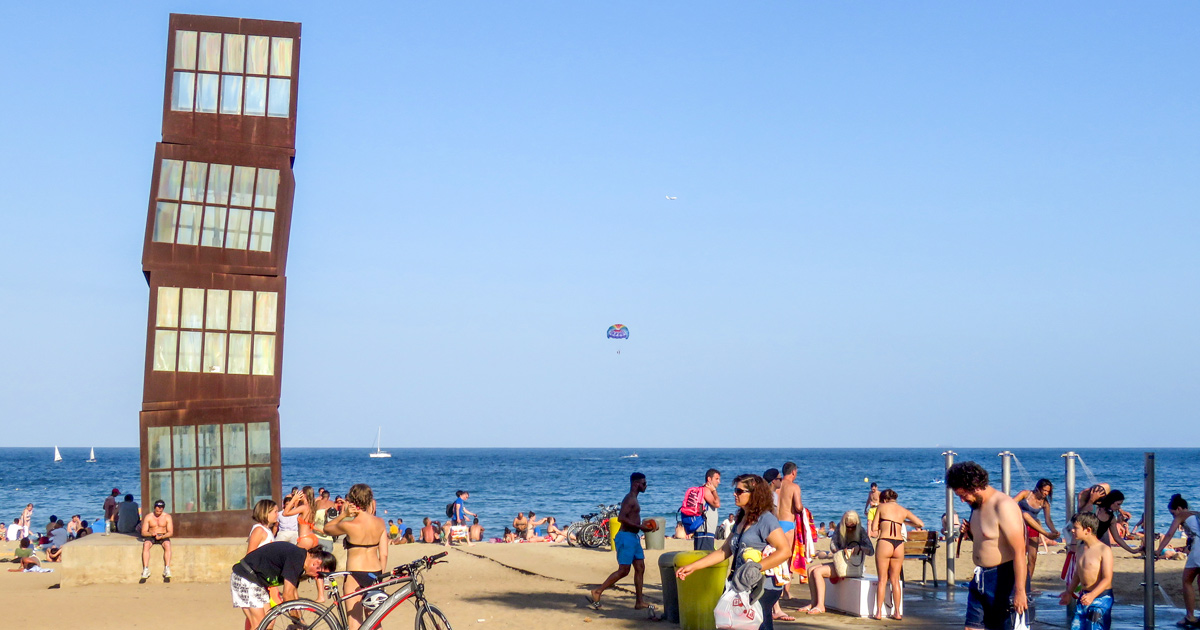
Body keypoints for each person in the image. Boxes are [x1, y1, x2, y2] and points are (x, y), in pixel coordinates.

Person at [677, 474, 792, 630]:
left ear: (754, 494)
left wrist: (756, 567)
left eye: (739, 491)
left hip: (762, 586)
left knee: (757, 625)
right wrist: (694, 567)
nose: (734, 494)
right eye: (735, 490)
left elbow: (785, 551)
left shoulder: (766, 520)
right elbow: (724, 551)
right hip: (741, 584)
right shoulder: (742, 519)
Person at [947, 461, 1028, 629]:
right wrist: (969, 532)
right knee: (971, 627)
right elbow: (988, 539)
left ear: (976, 486)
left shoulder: (1003, 506)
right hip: (979, 578)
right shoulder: (975, 505)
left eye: (963, 495)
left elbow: (1020, 551)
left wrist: (1020, 591)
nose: (962, 501)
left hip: (1003, 577)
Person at [230, 541, 337, 630]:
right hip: (246, 576)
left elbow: (294, 595)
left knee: (269, 623)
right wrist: (297, 621)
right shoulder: (298, 558)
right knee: (258, 624)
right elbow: (287, 596)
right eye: (319, 574)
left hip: (258, 582)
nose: (317, 578)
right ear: (317, 563)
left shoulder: (301, 561)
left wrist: (299, 620)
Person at [323, 484, 387, 630]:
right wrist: (381, 577)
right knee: (375, 623)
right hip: (375, 573)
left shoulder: (349, 525)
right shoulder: (380, 523)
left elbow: (327, 529)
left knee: (354, 623)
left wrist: (343, 514)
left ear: (352, 501)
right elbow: (383, 553)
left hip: (355, 574)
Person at [588, 472, 655, 611]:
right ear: (636, 484)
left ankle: (639, 602)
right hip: (626, 537)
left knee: (640, 568)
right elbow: (621, 518)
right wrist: (640, 527)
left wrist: (642, 527)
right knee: (624, 570)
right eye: (644, 483)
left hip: (633, 538)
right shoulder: (630, 499)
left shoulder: (634, 499)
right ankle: (598, 591)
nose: (645, 486)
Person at [799, 510, 873, 615]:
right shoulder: (840, 528)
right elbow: (833, 545)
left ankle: (820, 605)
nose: (850, 529)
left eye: (853, 527)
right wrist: (841, 550)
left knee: (817, 572)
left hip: (853, 566)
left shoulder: (861, 531)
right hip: (842, 562)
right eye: (848, 526)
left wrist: (859, 547)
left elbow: (871, 550)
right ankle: (813, 602)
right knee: (810, 569)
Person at [867, 489, 922, 620]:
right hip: (899, 544)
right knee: (895, 580)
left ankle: (879, 612)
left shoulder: (881, 507)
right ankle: (897, 612)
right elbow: (920, 523)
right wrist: (903, 522)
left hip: (885, 541)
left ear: (884, 500)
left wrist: (883, 523)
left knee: (882, 580)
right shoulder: (903, 510)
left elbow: (874, 528)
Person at [1057, 513, 1113, 630]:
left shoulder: (1104, 550)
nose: (1072, 530)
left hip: (1101, 597)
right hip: (1084, 595)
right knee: (1077, 626)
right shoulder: (1081, 548)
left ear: (1088, 530)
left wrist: (1093, 595)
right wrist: (1069, 591)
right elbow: (1078, 573)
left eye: (1076, 528)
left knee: (1095, 626)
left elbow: (1107, 578)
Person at [1155, 494, 1200, 627]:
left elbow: (1169, 534)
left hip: (1198, 549)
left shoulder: (1182, 516)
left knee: (1187, 581)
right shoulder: (1196, 513)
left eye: (1173, 513)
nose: (1173, 517)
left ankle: (1190, 616)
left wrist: (1158, 550)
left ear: (1179, 509)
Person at [1013, 479, 1060, 585]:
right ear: (1037, 488)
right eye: (1044, 490)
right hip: (1019, 525)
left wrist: (1054, 531)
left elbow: (1048, 520)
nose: (1046, 493)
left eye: (1048, 491)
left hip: (1033, 527)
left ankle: (1027, 583)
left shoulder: (1045, 503)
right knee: (1025, 515)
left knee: (1032, 557)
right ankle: (1016, 581)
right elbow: (1011, 503)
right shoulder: (1025, 494)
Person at [1091, 491, 1143, 556]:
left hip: (1101, 546)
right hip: (1088, 545)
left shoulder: (1111, 518)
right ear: (1111, 501)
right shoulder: (1094, 510)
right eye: (1118, 504)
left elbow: (1117, 538)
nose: (1119, 507)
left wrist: (1132, 550)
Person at [140, 499, 173, 579]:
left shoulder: (167, 517)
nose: (160, 509)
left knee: (167, 545)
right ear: (154, 507)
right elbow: (143, 532)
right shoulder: (149, 517)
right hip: (152, 535)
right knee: (146, 545)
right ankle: (146, 569)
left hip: (163, 535)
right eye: (158, 507)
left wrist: (162, 536)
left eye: (161, 507)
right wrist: (151, 534)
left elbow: (170, 532)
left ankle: (167, 568)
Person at [696, 469, 722, 551]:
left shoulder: (703, 490)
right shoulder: (706, 490)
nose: (719, 482)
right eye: (717, 479)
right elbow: (717, 503)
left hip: (705, 531)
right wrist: (714, 490)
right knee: (704, 558)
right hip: (705, 532)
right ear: (709, 479)